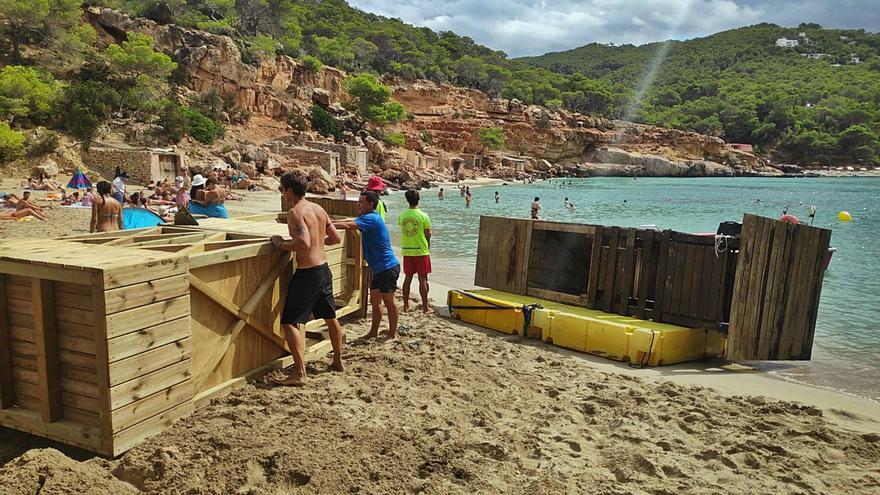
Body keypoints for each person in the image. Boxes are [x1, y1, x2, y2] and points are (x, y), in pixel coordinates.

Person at [270, 173, 344, 386]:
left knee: (289, 322)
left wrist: (280, 244)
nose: (282, 193)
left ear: (290, 191)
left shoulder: (294, 212)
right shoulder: (318, 209)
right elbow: (336, 238)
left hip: (308, 274)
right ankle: (337, 361)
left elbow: (302, 242)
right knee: (330, 317)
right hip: (323, 269)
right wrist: (318, 242)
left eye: (283, 189)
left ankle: (299, 373)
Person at [334, 190, 401, 341]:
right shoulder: (366, 217)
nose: (358, 204)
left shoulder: (372, 218)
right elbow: (348, 220)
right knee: (375, 301)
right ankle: (373, 332)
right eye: (358, 201)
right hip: (377, 268)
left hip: (387, 268)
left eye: (361, 202)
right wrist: (330, 222)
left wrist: (325, 224)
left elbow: (349, 224)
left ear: (371, 204)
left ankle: (393, 333)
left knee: (389, 303)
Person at [398, 190, 433, 313]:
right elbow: (427, 233)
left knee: (408, 278)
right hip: (421, 250)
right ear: (418, 199)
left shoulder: (402, 215)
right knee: (422, 279)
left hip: (407, 250)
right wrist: (429, 242)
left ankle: (406, 305)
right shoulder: (423, 215)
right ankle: (425, 307)